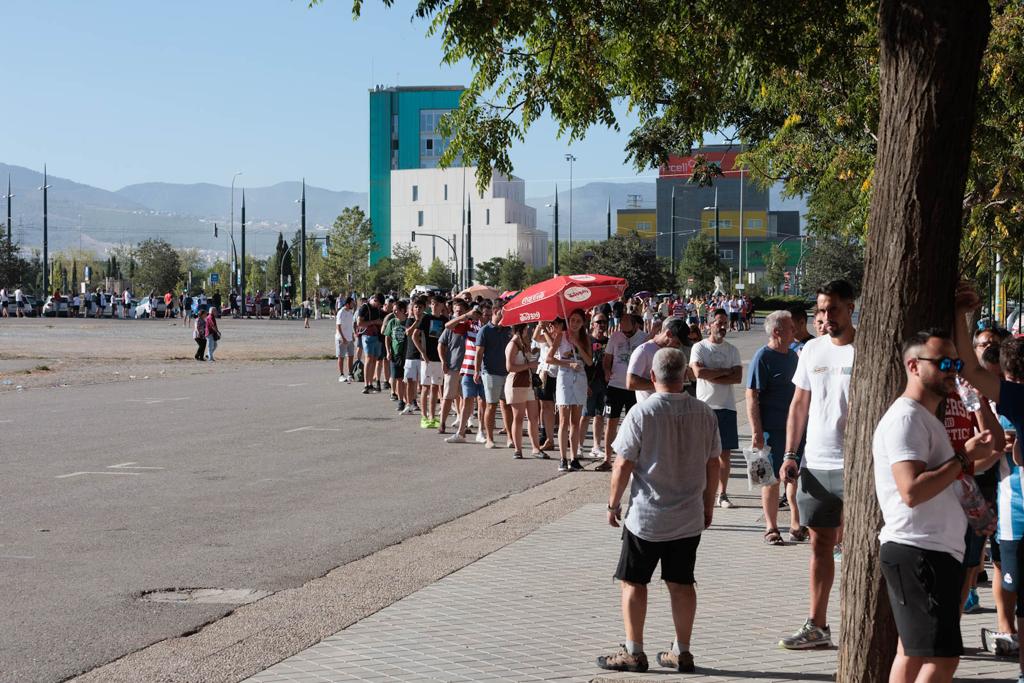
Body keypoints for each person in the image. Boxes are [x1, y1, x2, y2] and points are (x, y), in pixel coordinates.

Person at [874, 330, 995, 683]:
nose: (953, 371)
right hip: (918, 550)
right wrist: (962, 457)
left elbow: (983, 454)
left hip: (929, 551)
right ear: (913, 366)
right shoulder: (906, 419)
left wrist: (967, 453)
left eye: (956, 363)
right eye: (944, 363)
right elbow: (910, 490)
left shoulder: (925, 418)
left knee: (912, 653)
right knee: (942, 660)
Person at [596, 347, 721, 674]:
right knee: (682, 583)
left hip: (647, 517)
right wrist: (708, 506)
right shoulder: (705, 413)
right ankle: (682, 650)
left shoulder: (641, 413)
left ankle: (634, 650)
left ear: (652, 377)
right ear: (685, 376)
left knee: (633, 581)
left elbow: (622, 463)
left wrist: (612, 504)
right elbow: (713, 463)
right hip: (688, 515)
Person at [778, 280, 856, 650]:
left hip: (857, 466)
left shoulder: (865, 349)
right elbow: (799, 404)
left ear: (850, 308)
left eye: (833, 310)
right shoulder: (811, 349)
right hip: (816, 463)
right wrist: (791, 454)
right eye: (820, 311)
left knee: (861, 549)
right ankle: (818, 624)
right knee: (819, 545)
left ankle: (862, 625)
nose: (825, 318)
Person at [747, 309, 804, 543]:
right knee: (768, 480)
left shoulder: (793, 356)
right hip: (769, 430)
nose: (796, 331)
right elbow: (751, 396)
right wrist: (756, 432)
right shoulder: (762, 357)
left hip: (793, 431)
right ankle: (771, 528)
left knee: (793, 476)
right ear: (778, 331)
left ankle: (795, 524)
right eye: (791, 327)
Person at [690, 308, 743, 509]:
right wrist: (724, 372)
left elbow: (737, 377)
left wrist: (714, 373)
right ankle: (702, 492)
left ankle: (722, 494)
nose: (722, 326)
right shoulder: (700, 348)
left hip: (727, 407)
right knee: (702, 454)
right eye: (719, 322)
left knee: (725, 455)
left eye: (725, 323)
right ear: (709, 324)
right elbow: (699, 372)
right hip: (704, 407)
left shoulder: (732, 350)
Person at [597, 313, 649, 472]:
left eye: (628, 332)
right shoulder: (615, 337)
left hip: (634, 387)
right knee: (610, 422)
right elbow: (607, 359)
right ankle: (607, 459)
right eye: (622, 330)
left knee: (635, 424)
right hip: (615, 386)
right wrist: (606, 371)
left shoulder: (645, 338)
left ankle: (633, 459)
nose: (624, 334)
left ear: (636, 326)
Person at [546, 309, 593, 472]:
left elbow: (589, 361)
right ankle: (562, 458)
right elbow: (549, 358)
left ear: (583, 323)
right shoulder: (561, 335)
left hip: (580, 377)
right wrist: (567, 364)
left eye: (578, 321)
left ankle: (574, 458)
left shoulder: (585, 338)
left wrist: (578, 344)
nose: (574, 323)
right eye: (572, 320)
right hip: (565, 377)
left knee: (576, 421)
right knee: (564, 419)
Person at [447, 300, 487, 444]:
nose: (481, 315)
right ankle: (461, 432)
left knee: (482, 401)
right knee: (467, 400)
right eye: (479, 312)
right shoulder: (469, 324)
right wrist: (466, 316)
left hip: (486, 370)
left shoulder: (490, 327)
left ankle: (481, 431)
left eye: (484, 313)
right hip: (468, 367)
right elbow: (448, 326)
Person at [626, 317, 690, 404]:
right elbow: (631, 383)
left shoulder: (672, 351)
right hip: (650, 409)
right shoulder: (644, 350)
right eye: (677, 343)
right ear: (668, 334)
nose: (678, 346)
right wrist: (664, 384)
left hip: (671, 408)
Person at [475, 302, 512, 449]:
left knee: (507, 406)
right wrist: (476, 371)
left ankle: (510, 437)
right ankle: (489, 438)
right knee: (491, 405)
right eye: (504, 311)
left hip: (507, 373)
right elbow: (479, 353)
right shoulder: (484, 330)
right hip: (490, 373)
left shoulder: (508, 329)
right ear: (496, 311)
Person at [505, 323, 545, 458]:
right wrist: (529, 364)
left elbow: (529, 359)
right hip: (516, 383)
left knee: (533, 417)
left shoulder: (523, 343)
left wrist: (533, 355)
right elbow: (509, 367)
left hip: (528, 383)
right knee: (518, 417)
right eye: (526, 329)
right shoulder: (512, 345)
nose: (528, 331)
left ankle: (536, 449)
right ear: (521, 330)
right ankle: (518, 449)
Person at [412, 295, 449, 429]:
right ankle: (424, 416)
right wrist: (422, 353)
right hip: (426, 359)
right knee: (425, 387)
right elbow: (414, 335)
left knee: (435, 387)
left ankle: (433, 416)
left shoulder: (445, 320)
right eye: (432, 304)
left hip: (439, 358)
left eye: (437, 304)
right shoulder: (426, 318)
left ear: (442, 306)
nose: (434, 306)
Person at [437, 299, 470, 435]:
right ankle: (442, 423)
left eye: (461, 311)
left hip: (468, 368)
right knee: (448, 397)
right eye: (456, 311)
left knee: (465, 398)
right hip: (453, 366)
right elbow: (441, 344)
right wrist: (443, 361)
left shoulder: (471, 325)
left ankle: (463, 424)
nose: (458, 313)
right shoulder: (451, 327)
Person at [581, 313, 610, 460]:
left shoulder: (609, 341)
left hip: (603, 383)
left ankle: (596, 447)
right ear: (592, 324)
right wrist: (584, 383)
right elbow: (581, 363)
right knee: (585, 415)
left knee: (600, 415)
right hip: (589, 382)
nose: (602, 324)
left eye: (604, 322)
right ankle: (579, 446)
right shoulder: (587, 340)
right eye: (599, 322)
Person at [383, 299, 409, 411]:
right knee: (398, 378)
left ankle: (409, 400)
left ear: (403, 310)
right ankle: (401, 400)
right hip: (395, 353)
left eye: (396, 310)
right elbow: (387, 338)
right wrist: (388, 351)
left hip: (406, 354)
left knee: (407, 379)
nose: (394, 313)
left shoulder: (408, 322)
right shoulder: (392, 322)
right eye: (393, 310)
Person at [356, 294, 385, 394]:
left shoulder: (377, 310)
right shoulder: (364, 308)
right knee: (368, 359)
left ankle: (370, 383)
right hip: (367, 336)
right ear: (375, 300)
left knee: (374, 360)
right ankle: (366, 384)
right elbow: (359, 323)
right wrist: (374, 322)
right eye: (378, 304)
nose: (379, 307)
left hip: (376, 336)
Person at [401, 298, 425, 414]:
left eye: (420, 307)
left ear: (424, 309)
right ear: (412, 309)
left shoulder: (426, 320)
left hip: (423, 356)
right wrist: (416, 321)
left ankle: (423, 406)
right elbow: (408, 333)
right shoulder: (409, 321)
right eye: (416, 307)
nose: (418, 309)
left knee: (424, 383)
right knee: (410, 381)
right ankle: (409, 403)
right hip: (410, 355)